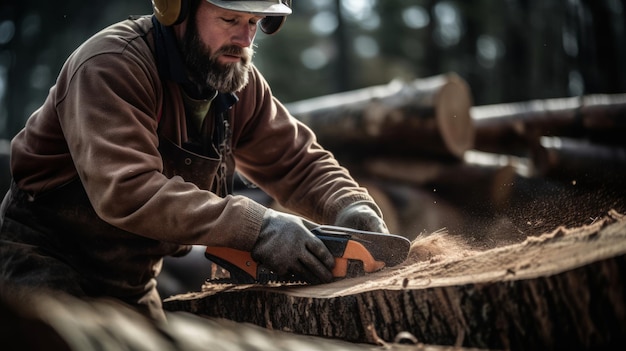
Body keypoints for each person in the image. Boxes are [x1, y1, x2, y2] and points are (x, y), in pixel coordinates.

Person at [0, 0, 388, 321]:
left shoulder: (235, 78)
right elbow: (128, 192)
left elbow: (296, 161)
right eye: (230, 19)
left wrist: (348, 205)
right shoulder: (111, 65)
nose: (244, 38)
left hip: (133, 284)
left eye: (254, 22)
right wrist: (260, 226)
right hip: (43, 267)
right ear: (177, 10)